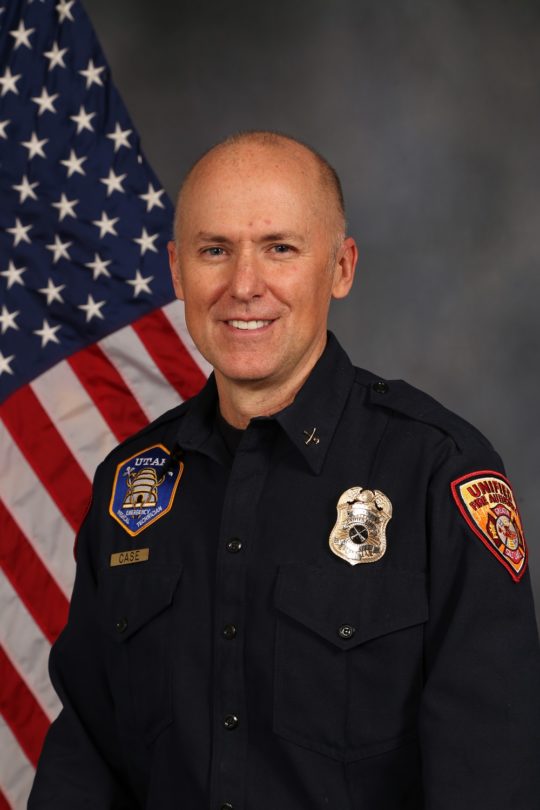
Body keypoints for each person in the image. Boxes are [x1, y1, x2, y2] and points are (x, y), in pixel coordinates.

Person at [29, 131, 540, 809]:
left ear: (341, 268)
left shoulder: (435, 472)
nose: (244, 286)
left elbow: (490, 776)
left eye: (280, 249)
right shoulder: (132, 486)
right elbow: (86, 763)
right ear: (178, 273)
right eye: (215, 251)